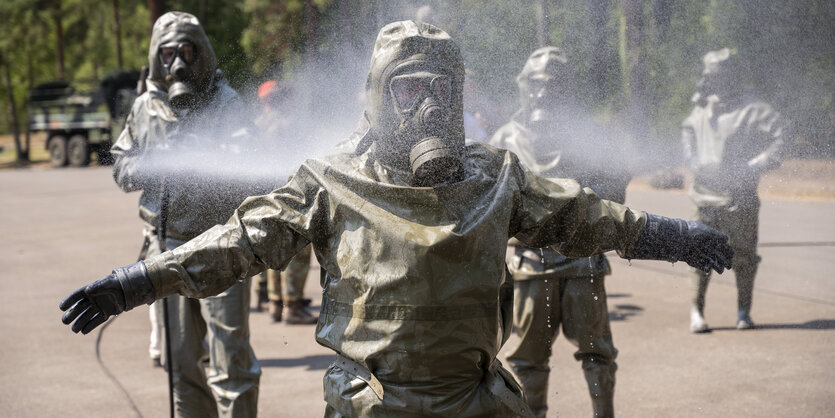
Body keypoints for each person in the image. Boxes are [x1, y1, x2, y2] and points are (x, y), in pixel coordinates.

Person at [62, 21, 732, 417]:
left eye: (441, 92)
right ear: (377, 98)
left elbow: (583, 217)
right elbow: (237, 243)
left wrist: (673, 235)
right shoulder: (328, 179)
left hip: (473, 401)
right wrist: (137, 280)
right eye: (409, 90)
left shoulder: (495, 175)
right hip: (369, 405)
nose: (426, 109)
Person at [109, 12, 261, 417]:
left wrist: (202, 151)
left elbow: (251, 161)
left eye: (187, 51)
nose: (178, 63)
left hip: (221, 247)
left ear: (202, 53)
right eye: (169, 53)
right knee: (180, 362)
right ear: (157, 57)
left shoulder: (225, 102)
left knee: (232, 361)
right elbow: (122, 169)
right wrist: (157, 161)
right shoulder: (144, 107)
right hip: (166, 246)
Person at [490, 46, 630, 418]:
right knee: (528, 361)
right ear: (524, 86)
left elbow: (616, 192)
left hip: (583, 264)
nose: (541, 93)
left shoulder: (590, 135)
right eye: (534, 84)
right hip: (531, 267)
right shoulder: (505, 137)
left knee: (598, 354)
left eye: (551, 86)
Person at [682, 48, 789, 333]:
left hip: (738, 199)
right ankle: (696, 311)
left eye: (716, 76)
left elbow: (781, 138)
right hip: (703, 196)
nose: (710, 81)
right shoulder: (702, 107)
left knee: (743, 256)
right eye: (708, 76)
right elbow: (688, 133)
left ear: (730, 77)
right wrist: (691, 158)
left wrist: (753, 166)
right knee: (699, 253)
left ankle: (744, 311)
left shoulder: (753, 109)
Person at [252, 81, 318, 325]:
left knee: (273, 249)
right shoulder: (290, 124)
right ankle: (292, 305)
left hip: (267, 196)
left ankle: (275, 303)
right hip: (292, 195)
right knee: (298, 251)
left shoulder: (258, 125)